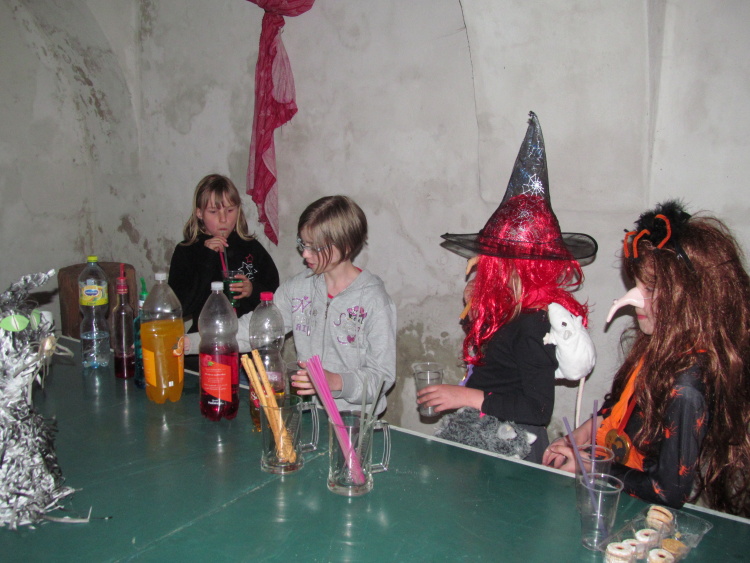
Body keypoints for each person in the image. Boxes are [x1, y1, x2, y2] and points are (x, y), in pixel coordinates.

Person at [543, 201, 750, 516]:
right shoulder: (662, 346)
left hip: (649, 517)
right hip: (621, 498)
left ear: (692, 297)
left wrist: (590, 467)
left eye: (650, 289)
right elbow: (621, 407)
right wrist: (582, 435)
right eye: (636, 285)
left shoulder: (687, 383)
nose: (633, 299)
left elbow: (668, 490)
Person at [421, 112, 597, 463]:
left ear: (514, 267)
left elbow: (537, 408)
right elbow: (501, 368)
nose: (482, 265)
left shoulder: (533, 324)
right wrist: (478, 313)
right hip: (487, 434)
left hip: (514, 447)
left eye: (491, 259)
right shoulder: (509, 311)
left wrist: (465, 397)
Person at [239, 195, 397, 416]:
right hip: (307, 411)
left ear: (346, 245)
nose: (305, 254)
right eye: (303, 244)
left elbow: (381, 377)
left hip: (354, 419)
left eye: (315, 247)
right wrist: (200, 340)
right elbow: (255, 329)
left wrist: (335, 381)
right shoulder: (298, 288)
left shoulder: (374, 301)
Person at [168, 174, 279, 333]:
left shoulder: (251, 247)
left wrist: (252, 290)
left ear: (238, 210)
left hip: (247, 335)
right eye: (213, 212)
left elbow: (275, 294)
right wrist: (207, 259)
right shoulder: (187, 251)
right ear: (199, 213)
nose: (223, 219)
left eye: (230, 210)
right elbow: (181, 307)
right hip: (206, 336)